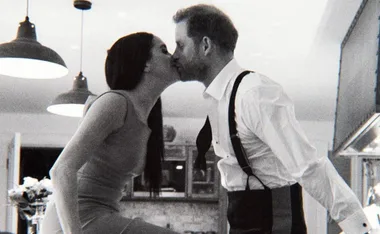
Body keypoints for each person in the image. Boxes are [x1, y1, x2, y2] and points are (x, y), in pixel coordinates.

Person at [172, 4, 372, 234]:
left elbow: (309, 167)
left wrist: (360, 229)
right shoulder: (218, 98)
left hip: (276, 224)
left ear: (206, 45)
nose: (174, 55)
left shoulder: (254, 93)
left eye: (180, 45)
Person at [40, 32, 179, 234]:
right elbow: (61, 170)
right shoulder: (116, 102)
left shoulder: (146, 118)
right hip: (74, 220)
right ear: (145, 64)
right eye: (163, 50)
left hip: (100, 215)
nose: (173, 57)